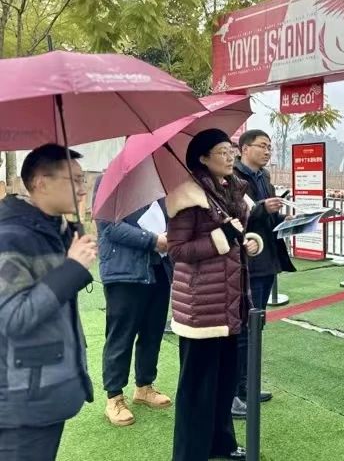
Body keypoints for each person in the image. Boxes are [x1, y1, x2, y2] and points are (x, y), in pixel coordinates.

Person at [166, 129, 263, 461]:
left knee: (224, 383)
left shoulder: (233, 190)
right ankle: (190, 453)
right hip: (201, 308)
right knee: (197, 388)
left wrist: (249, 242)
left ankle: (221, 444)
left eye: (231, 150)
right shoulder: (187, 196)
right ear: (203, 158)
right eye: (222, 151)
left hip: (231, 304)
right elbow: (177, 250)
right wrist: (220, 237)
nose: (230, 156)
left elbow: (240, 234)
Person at [0, 144, 97, 461]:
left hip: (47, 387)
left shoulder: (55, 229)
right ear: (41, 182)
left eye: (83, 179)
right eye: (75, 179)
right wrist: (72, 268)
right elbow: (14, 318)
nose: (83, 188)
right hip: (22, 399)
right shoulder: (10, 236)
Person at [94, 175, 174, 426]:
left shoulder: (158, 185)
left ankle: (144, 386)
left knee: (153, 332)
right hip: (124, 271)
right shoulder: (109, 181)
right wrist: (153, 240)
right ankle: (114, 397)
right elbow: (109, 227)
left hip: (159, 268)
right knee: (121, 334)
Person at [232, 129, 296, 416]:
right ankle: (236, 391)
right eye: (262, 146)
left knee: (256, 327)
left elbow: (265, 218)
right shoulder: (233, 178)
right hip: (247, 262)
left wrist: (286, 219)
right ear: (244, 149)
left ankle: (249, 386)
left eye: (270, 147)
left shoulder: (265, 177)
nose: (268, 151)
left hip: (268, 260)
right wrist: (261, 208)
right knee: (244, 329)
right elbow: (234, 217)